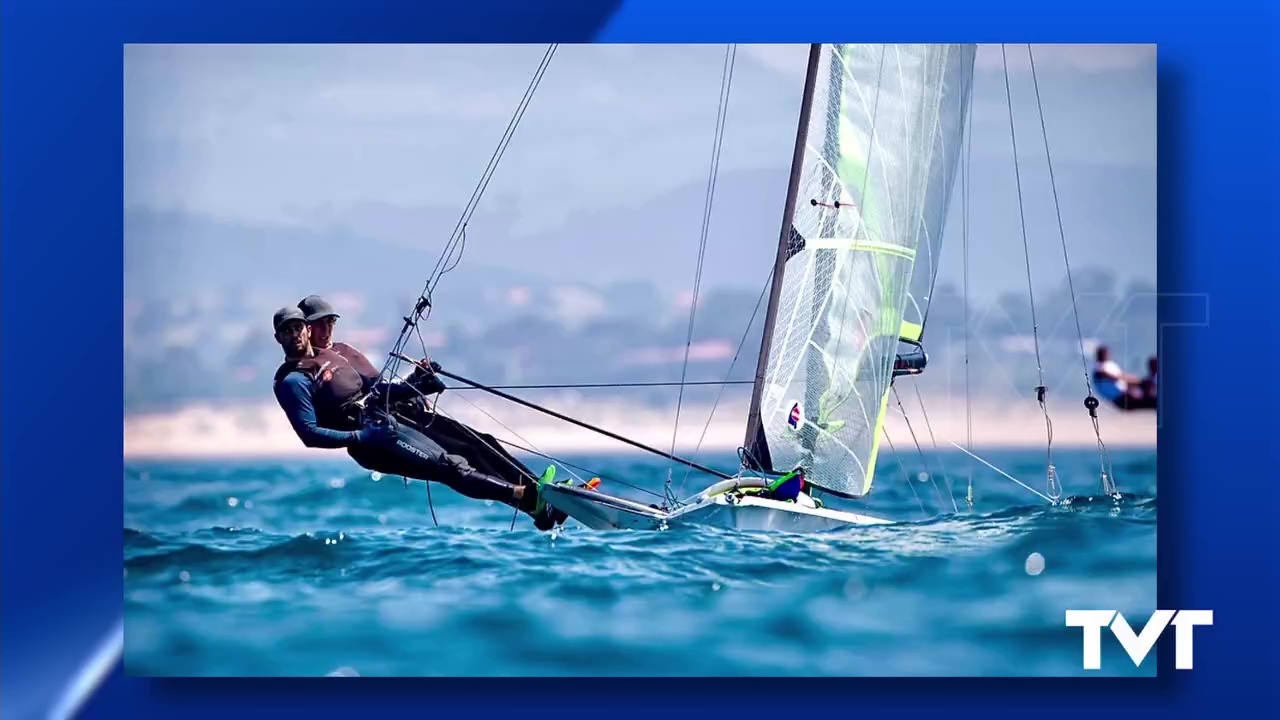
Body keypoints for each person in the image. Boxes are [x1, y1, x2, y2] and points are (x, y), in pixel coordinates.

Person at [269, 306, 567, 530]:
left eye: (299, 328)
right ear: (278, 338)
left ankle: (541, 497)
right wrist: (362, 437)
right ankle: (528, 498)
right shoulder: (294, 381)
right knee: (449, 466)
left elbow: (376, 391)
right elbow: (309, 434)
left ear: (306, 329)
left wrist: (415, 383)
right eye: (287, 331)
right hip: (371, 441)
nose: (295, 335)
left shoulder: (334, 357)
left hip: (387, 420)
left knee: (478, 443)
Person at [1092, 345, 1155, 411]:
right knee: (1151, 399)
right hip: (1121, 399)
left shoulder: (1109, 365)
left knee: (1151, 395)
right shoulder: (1099, 370)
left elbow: (1121, 378)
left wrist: (1140, 382)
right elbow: (1117, 377)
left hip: (1126, 394)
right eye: (1104, 353)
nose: (1107, 355)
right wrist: (1140, 382)